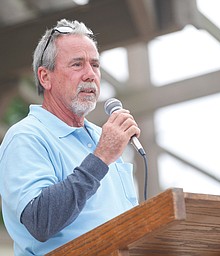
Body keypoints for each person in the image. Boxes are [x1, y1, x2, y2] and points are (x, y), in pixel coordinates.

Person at [0, 19, 140, 256]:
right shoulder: (25, 137)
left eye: (95, 65)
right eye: (77, 64)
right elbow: (40, 221)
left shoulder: (102, 137)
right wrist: (101, 157)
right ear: (45, 77)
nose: (90, 75)